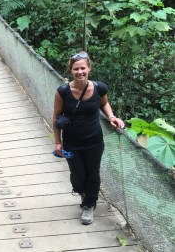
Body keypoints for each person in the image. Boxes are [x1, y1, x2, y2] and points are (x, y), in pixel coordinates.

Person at [52, 51, 125, 225]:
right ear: (71, 70)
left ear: (89, 68)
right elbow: (56, 117)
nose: (80, 72)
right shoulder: (63, 92)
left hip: (94, 141)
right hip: (71, 142)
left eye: (83, 68)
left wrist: (111, 116)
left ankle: (89, 205)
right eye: (76, 69)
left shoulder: (99, 88)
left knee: (93, 174)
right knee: (77, 176)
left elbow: (104, 103)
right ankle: (82, 192)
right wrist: (58, 142)